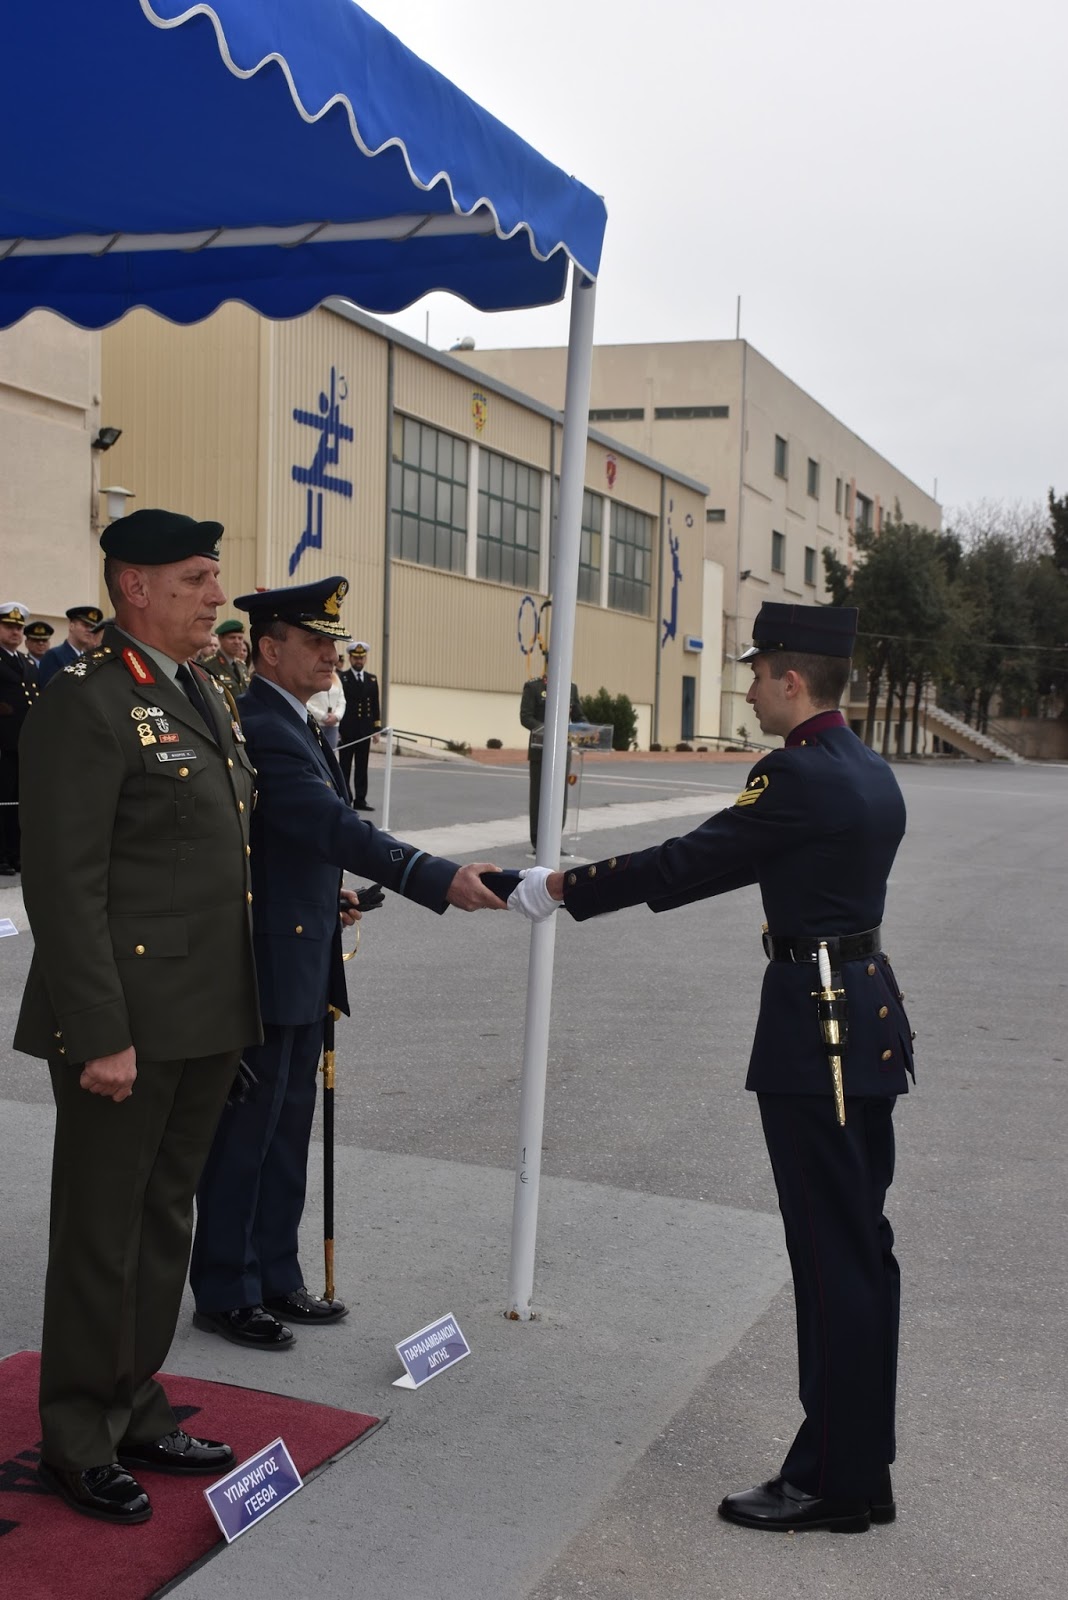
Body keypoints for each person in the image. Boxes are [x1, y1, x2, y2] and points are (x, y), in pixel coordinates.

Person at [511, 602, 914, 1534]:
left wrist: (561, 886)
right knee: (860, 1250)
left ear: (790, 679)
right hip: (867, 1020)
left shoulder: (800, 775)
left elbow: (690, 863)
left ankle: (832, 1481)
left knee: (830, 1257)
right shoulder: (870, 769)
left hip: (818, 1034)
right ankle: (861, 1467)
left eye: (757, 673)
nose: (748, 690)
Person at [15, 508, 261, 1525]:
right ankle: (79, 1431)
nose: (216, 594)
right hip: (124, 1019)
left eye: (214, 577)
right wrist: (100, 1030)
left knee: (164, 1219)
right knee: (100, 1230)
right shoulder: (88, 700)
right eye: (199, 577)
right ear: (136, 587)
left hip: (204, 1009)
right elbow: (64, 885)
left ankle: (136, 1403)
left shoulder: (200, 687)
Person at [190, 578, 506, 1350]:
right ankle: (226, 1289)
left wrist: (327, 896)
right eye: (317, 640)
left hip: (302, 943)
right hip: (265, 957)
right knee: (249, 1131)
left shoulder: (302, 722)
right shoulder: (264, 723)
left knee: (289, 1124)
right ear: (270, 649)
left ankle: (274, 1273)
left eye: (334, 641)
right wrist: (431, 874)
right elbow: (327, 822)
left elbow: (295, 843)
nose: (333, 653)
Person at [519, 654, 584, 853]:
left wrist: (588, 730)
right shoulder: (534, 687)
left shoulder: (570, 688)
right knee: (539, 797)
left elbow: (579, 716)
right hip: (541, 751)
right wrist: (548, 731)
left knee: (560, 798)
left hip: (563, 751)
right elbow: (526, 717)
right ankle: (538, 842)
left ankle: (555, 841)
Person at [0, 600, 39, 874]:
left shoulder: (25, 660)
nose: (15, 632)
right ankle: (1, 855)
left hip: (22, 744)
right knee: (3, 800)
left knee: (20, 801)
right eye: (9, 626)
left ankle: (16, 853)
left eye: (18, 627)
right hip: (2, 744)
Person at [338, 640, 380, 809]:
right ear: (350, 658)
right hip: (347, 730)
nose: (359, 661)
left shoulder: (371, 679)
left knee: (362, 767)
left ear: (366, 659)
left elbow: (375, 706)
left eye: (362, 658)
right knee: (344, 766)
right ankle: (345, 797)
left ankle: (360, 799)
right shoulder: (343, 678)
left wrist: (376, 729)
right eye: (356, 658)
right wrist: (338, 729)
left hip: (365, 731)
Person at [36, 603, 105, 687]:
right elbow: (49, 691)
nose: (90, 630)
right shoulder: (54, 656)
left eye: (92, 627)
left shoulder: (88, 658)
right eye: (85, 625)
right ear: (71, 626)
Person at [200, 616, 251, 693]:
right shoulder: (208, 665)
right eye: (232, 638)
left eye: (240, 638)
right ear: (220, 639)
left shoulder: (242, 666)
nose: (237, 642)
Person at [307, 656, 345, 749]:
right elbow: (307, 703)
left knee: (331, 754)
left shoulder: (336, 678)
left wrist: (337, 716)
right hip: (317, 723)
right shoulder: (311, 677)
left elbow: (341, 700)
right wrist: (323, 716)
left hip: (333, 724)